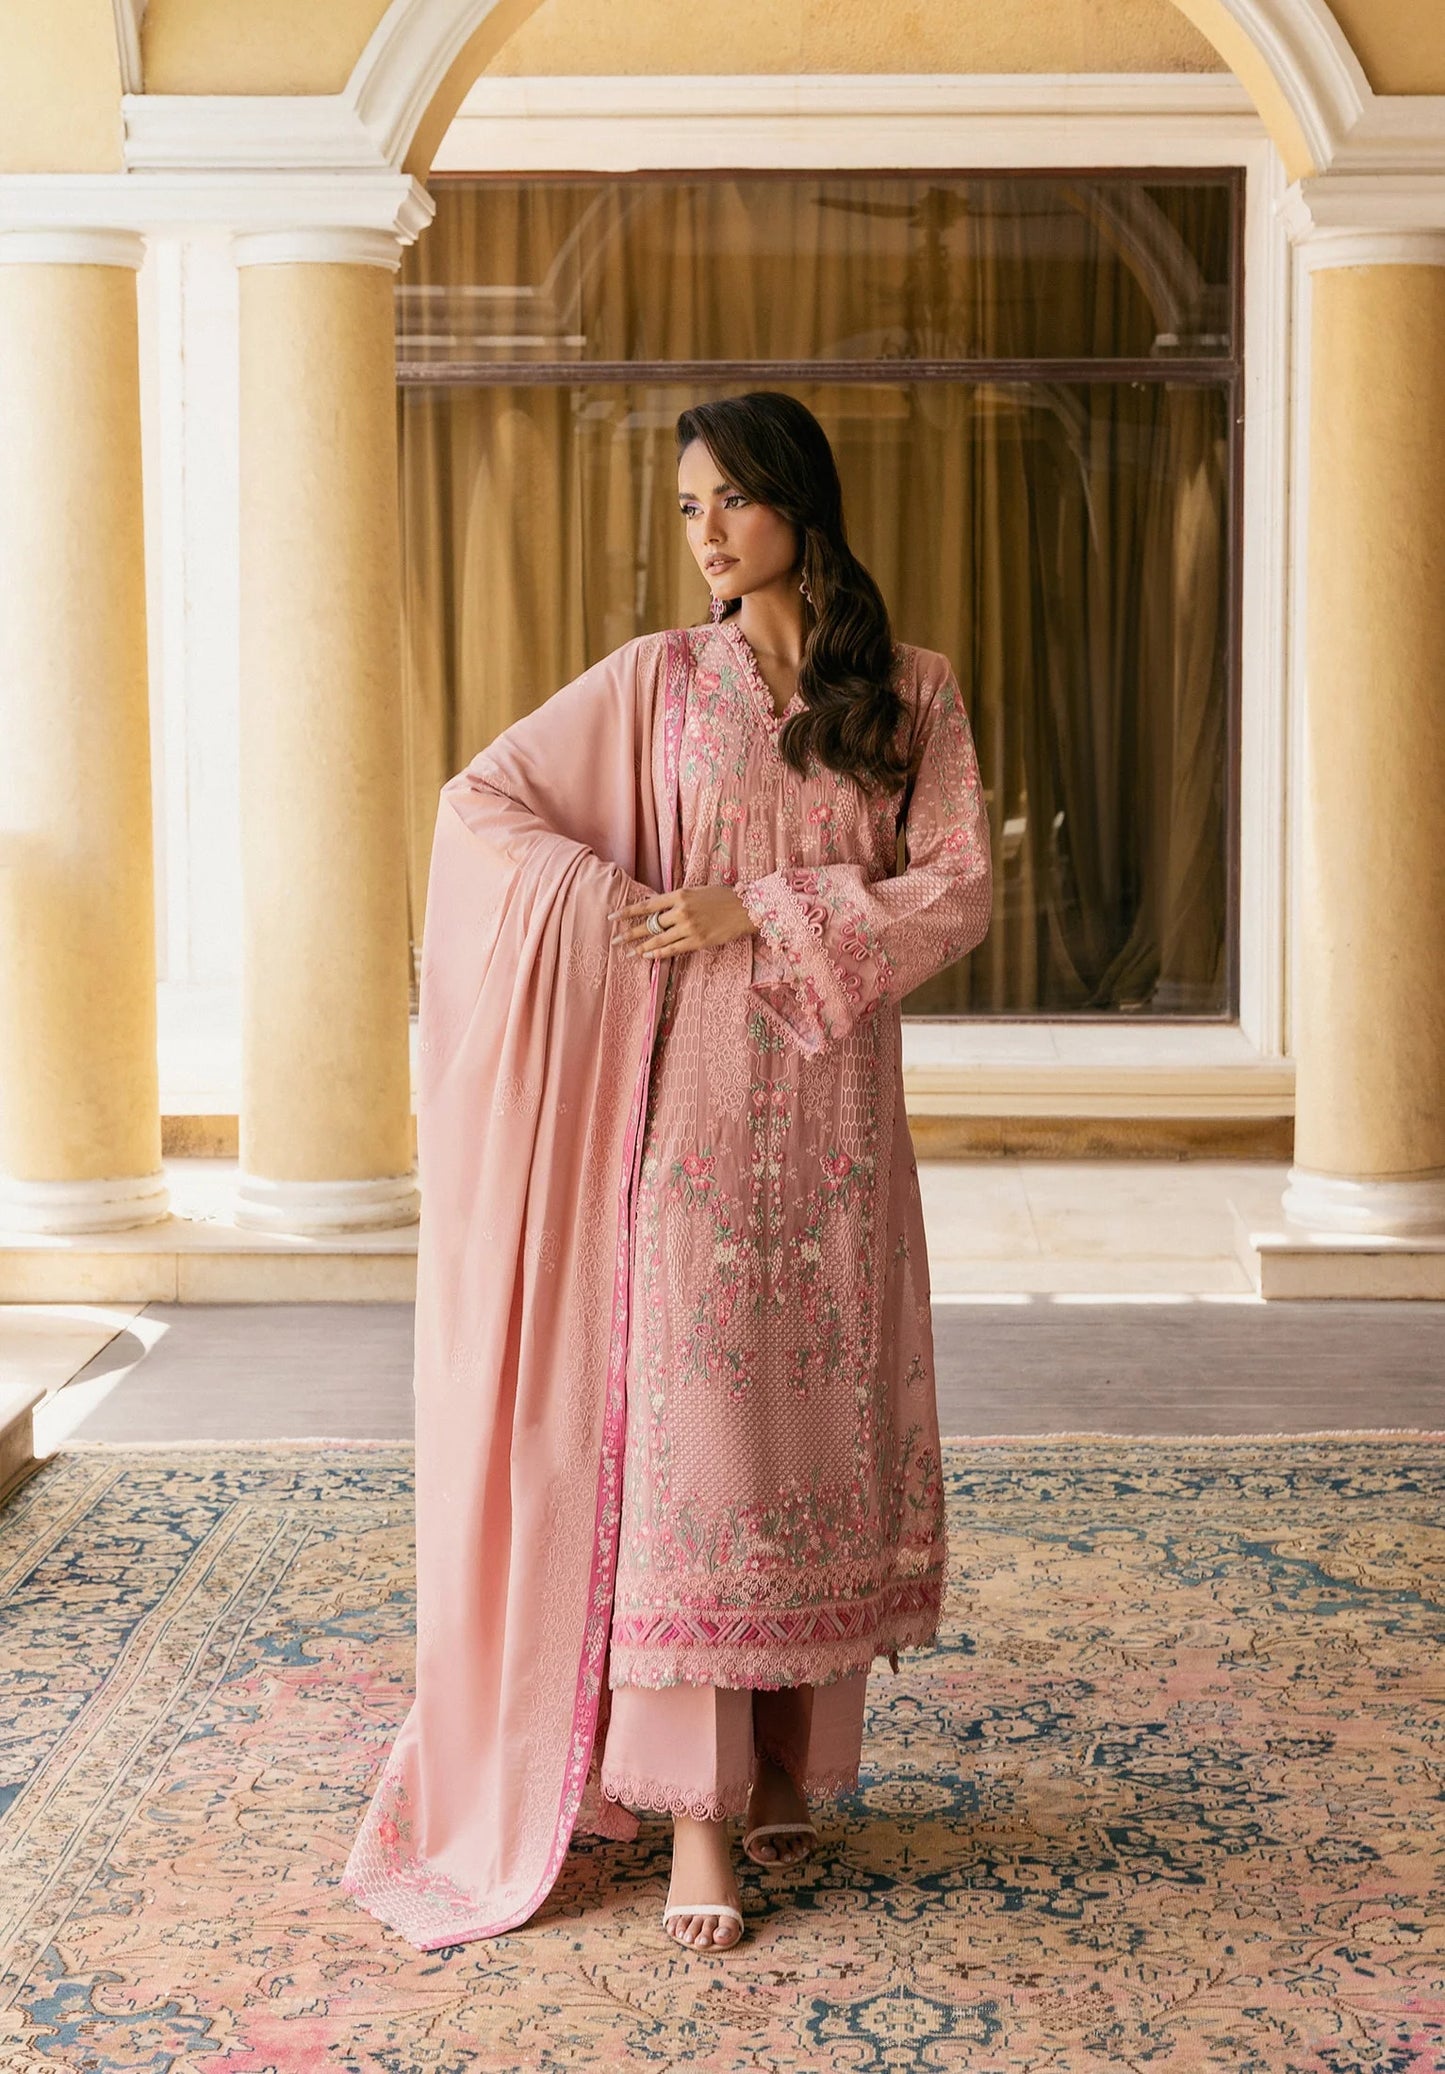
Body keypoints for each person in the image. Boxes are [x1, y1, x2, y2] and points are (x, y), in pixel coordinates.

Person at [342, 390, 993, 1960]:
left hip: (838, 1132)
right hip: (685, 1122)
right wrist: (612, 901)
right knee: (698, 1461)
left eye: (728, 500)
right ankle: (695, 1811)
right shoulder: (659, 680)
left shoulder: (910, 690)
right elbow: (480, 805)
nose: (703, 531)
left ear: (797, 504)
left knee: (807, 1439)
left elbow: (958, 887)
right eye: (686, 505)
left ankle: (781, 1761)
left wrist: (751, 906)